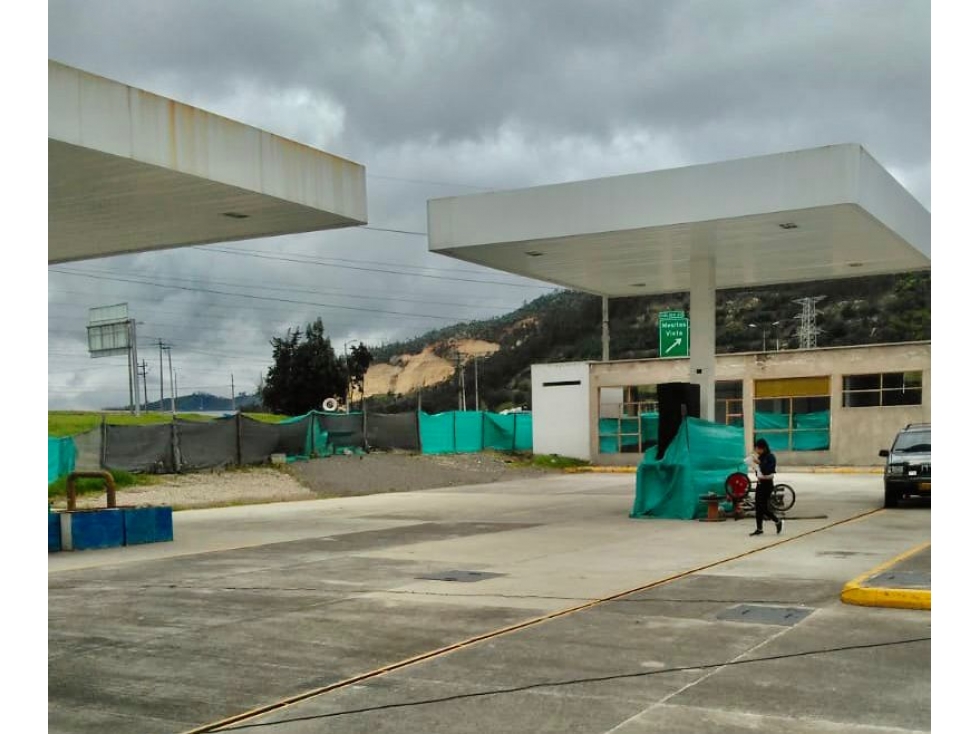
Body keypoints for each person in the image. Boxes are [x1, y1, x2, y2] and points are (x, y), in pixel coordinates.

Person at [749, 438, 783, 537]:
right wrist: (755, 467)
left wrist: (759, 464)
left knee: (762, 507)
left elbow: (767, 471)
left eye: (757, 449)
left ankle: (777, 520)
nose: (756, 451)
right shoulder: (761, 457)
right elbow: (759, 472)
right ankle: (759, 528)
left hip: (767, 484)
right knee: (758, 507)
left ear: (762, 448)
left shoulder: (770, 457)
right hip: (760, 484)